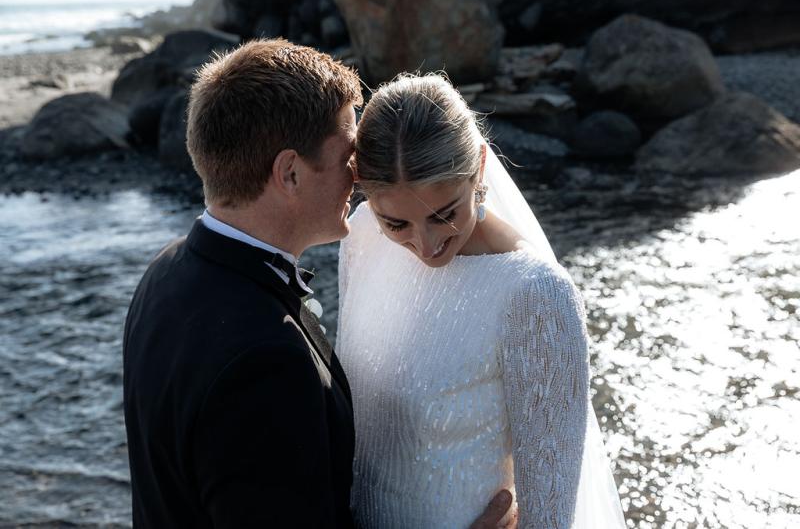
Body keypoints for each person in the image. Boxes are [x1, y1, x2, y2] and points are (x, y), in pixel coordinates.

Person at [122, 40, 514, 528]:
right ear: (289, 173)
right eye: (349, 155)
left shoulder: (165, 274)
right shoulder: (267, 361)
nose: (359, 177)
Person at [336, 73, 627, 528]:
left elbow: (551, 517)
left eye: (444, 214)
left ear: (480, 169)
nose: (427, 245)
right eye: (398, 224)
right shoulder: (363, 238)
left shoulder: (534, 295)